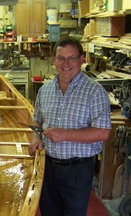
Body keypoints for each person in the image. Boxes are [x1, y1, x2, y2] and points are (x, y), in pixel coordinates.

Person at [29, 36, 112, 216]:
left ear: (82, 59)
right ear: (54, 61)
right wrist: (36, 137)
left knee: (74, 212)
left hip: (77, 169)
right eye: (61, 58)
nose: (66, 64)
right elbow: (37, 120)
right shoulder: (45, 90)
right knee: (49, 211)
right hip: (48, 166)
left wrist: (64, 135)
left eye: (71, 58)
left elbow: (103, 132)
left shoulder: (95, 92)